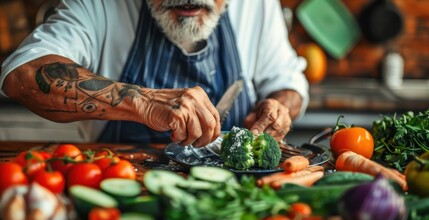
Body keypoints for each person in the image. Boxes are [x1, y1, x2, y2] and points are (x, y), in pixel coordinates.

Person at [0, 0, 309, 147]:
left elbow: (287, 81)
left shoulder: (256, 6)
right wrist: (142, 103)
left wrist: (279, 106)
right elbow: (23, 74)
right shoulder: (100, 5)